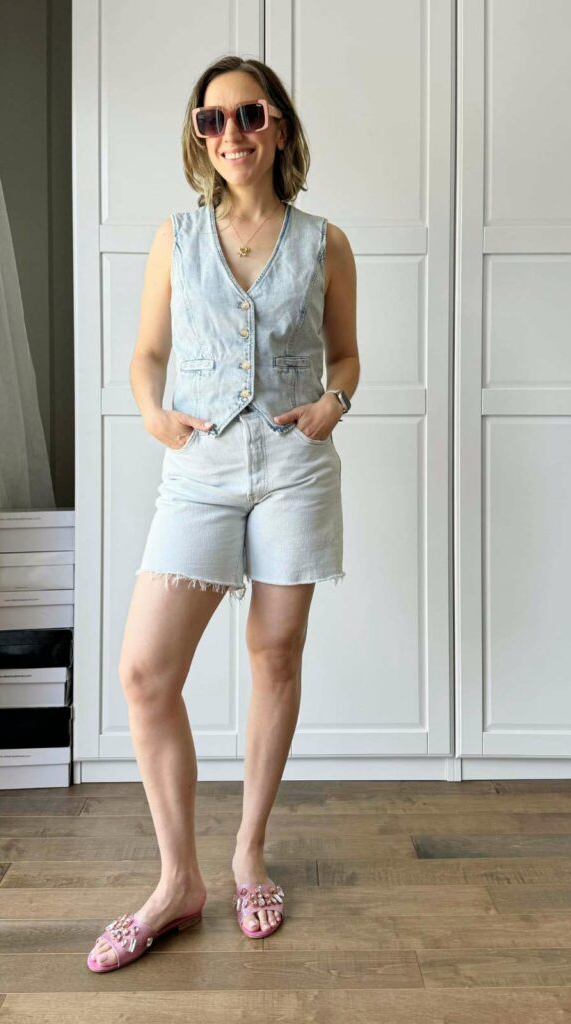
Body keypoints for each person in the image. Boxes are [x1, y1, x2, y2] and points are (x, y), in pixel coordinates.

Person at [87, 55, 359, 974]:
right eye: (212, 121)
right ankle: (177, 881)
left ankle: (248, 854)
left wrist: (334, 403)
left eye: (248, 115)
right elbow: (145, 353)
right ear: (198, 136)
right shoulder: (176, 237)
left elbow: (347, 356)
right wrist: (155, 415)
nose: (231, 134)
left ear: (277, 124)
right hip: (197, 469)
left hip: (293, 468)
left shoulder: (326, 242)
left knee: (273, 657)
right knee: (143, 674)